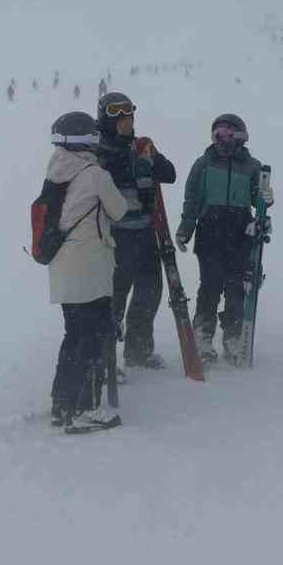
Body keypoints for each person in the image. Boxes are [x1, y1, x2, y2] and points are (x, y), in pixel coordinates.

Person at [42, 111, 128, 432]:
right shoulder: (95, 174)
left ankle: (61, 404)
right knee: (92, 339)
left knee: (74, 336)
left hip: (63, 267)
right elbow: (118, 210)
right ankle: (82, 409)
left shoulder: (56, 167)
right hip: (90, 268)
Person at [175, 114, 269, 364]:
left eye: (227, 134)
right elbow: (192, 199)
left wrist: (264, 199)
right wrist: (186, 228)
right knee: (210, 286)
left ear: (239, 136)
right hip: (210, 232)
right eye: (217, 134)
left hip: (239, 232)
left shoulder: (252, 166)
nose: (222, 139)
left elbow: (257, 199)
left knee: (237, 288)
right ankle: (203, 338)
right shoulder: (204, 164)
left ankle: (233, 337)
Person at [96, 92, 177, 369]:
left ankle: (138, 350)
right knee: (113, 296)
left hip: (144, 232)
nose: (124, 120)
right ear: (105, 119)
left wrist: (149, 159)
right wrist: (130, 163)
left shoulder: (142, 146)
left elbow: (170, 174)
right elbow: (101, 183)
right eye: (116, 115)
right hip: (114, 236)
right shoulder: (100, 151)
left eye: (128, 114)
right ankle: (105, 359)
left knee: (149, 290)